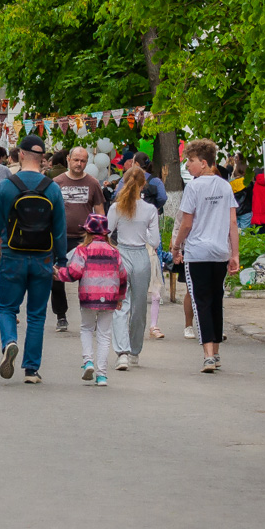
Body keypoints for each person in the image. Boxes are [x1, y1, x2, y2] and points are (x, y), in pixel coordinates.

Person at [0, 135, 68, 384]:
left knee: (8, 308)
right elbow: (60, 229)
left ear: (20, 155)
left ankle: (9, 341)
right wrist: (61, 261)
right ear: (42, 158)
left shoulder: (7, 186)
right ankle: (31, 369)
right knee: (37, 315)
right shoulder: (52, 188)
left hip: (13, 255)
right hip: (43, 258)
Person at [170, 139, 239, 373]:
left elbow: (186, 222)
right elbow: (232, 222)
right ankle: (216, 352)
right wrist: (235, 254)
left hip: (197, 253)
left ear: (204, 162)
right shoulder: (225, 186)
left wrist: (176, 246)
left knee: (201, 303)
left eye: (190, 161)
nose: (188, 166)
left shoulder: (194, 187)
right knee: (216, 300)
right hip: (220, 252)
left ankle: (208, 355)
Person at [54, 214, 128, 387]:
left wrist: (59, 274)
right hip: (109, 298)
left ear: (87, 231)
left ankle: (88, 362)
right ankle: (102, 375)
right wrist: (120, 297)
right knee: (104, 335)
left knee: (86, 328)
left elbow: (74, 273)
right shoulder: (115, 252)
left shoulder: (82, 250)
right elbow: (123, 276)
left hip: (88, 297)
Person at [107, 166, 161, 370]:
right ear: (143, 184)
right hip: (141, 257)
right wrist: (142, 235)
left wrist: (115, 245)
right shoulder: (150, 210)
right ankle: (135, 352)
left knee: (120, 305)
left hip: (120, 255)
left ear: (124, 182)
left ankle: (121, 352)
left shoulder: (116, 208)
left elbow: (106, 232)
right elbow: (154, 241)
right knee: (139, 307)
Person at [51, 147, 105, 332]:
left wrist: (102, 237)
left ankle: (89, 315)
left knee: (89, 279)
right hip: (60, 238)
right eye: (76, 160)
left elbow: (99, 211)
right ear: (68, 159)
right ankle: (61, 316)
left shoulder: (92, 183)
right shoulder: (56, 183)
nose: (79, 164)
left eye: (83, 161)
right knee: (57, 276)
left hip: (85, 239)